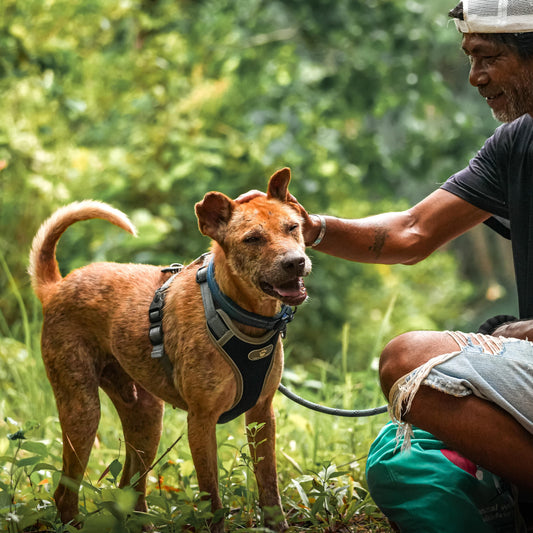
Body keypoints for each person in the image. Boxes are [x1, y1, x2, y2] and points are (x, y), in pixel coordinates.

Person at [238, 0, 533, 529]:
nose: (474, 77)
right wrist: (307, 227)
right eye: (468, 58)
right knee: (408, 444)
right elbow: (410, 233)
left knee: (407, 358)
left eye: (486, 58)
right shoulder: (516, 143)